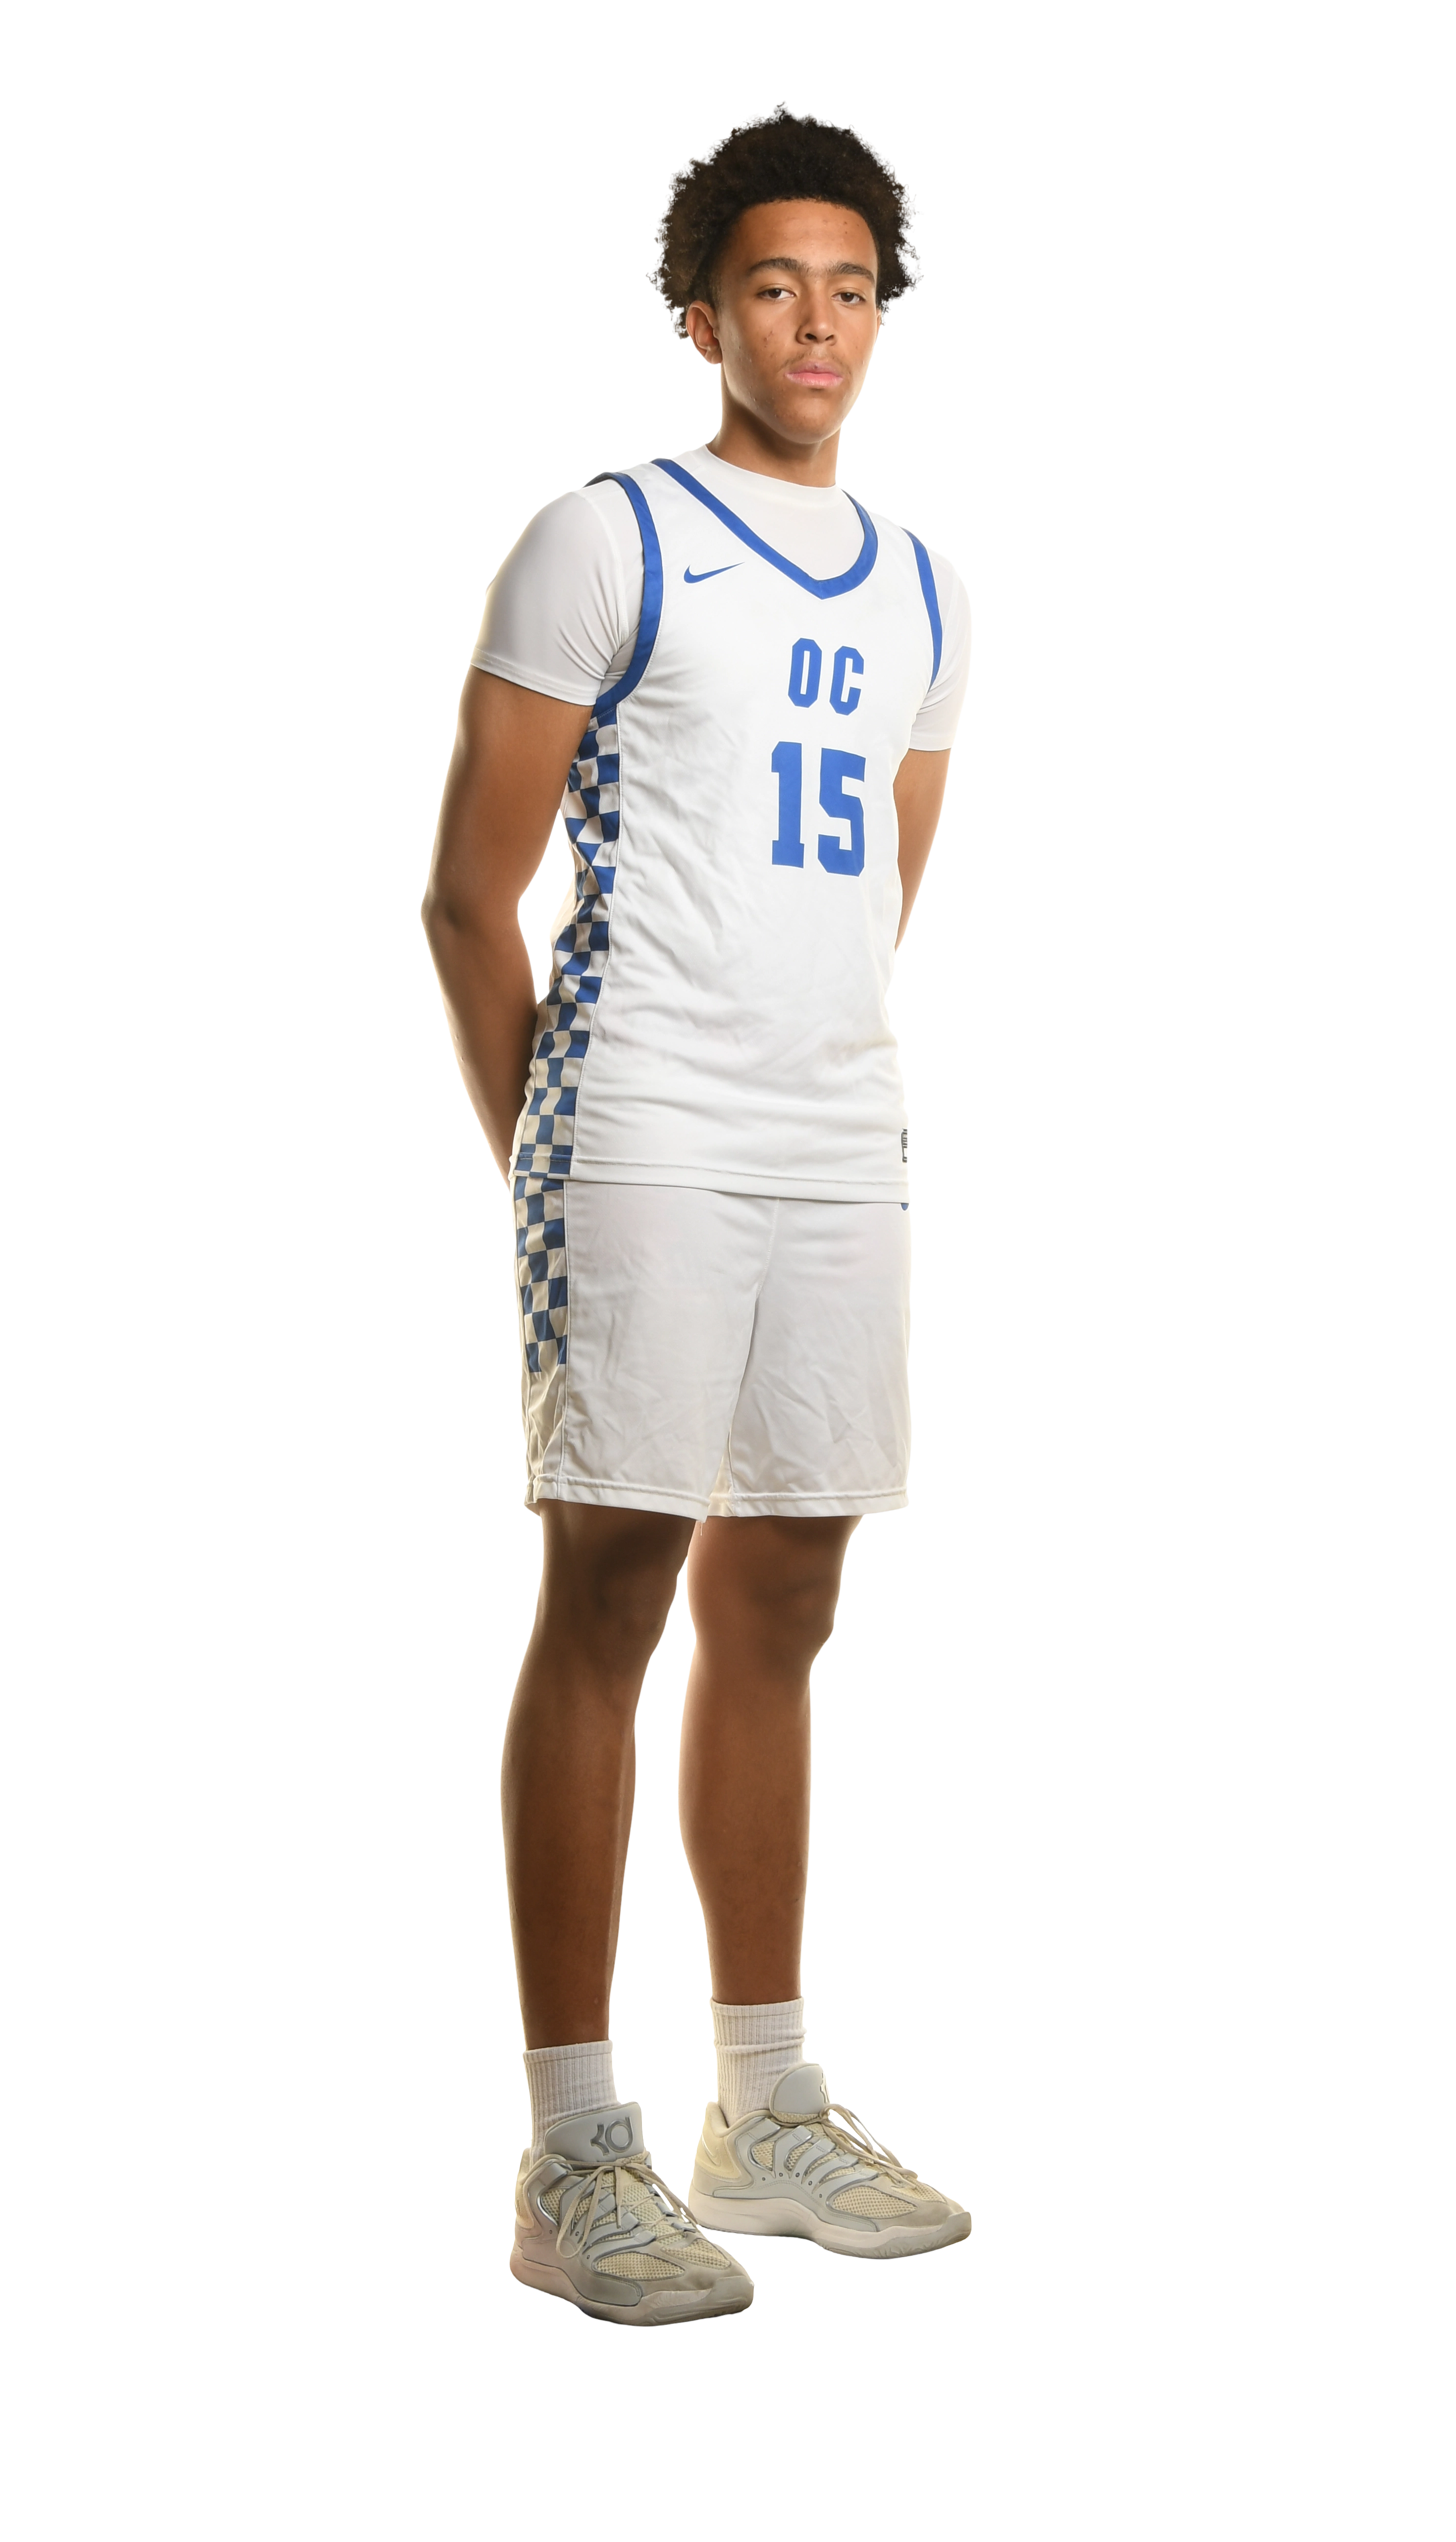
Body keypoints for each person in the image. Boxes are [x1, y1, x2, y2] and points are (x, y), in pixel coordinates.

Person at [422, 102, 973, 2323]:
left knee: (790, 1597)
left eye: (850, 288)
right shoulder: (608, 537)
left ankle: (764, 2110)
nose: (816, 324)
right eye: (772, 286)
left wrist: (786, 1076)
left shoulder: (926, 586)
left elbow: (873, 891)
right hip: (635, 1129)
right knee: (614, 1583)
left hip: (837, 1139)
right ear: (698, 315)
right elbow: (466, 896)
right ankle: (575, 2160)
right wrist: (557, 1161)